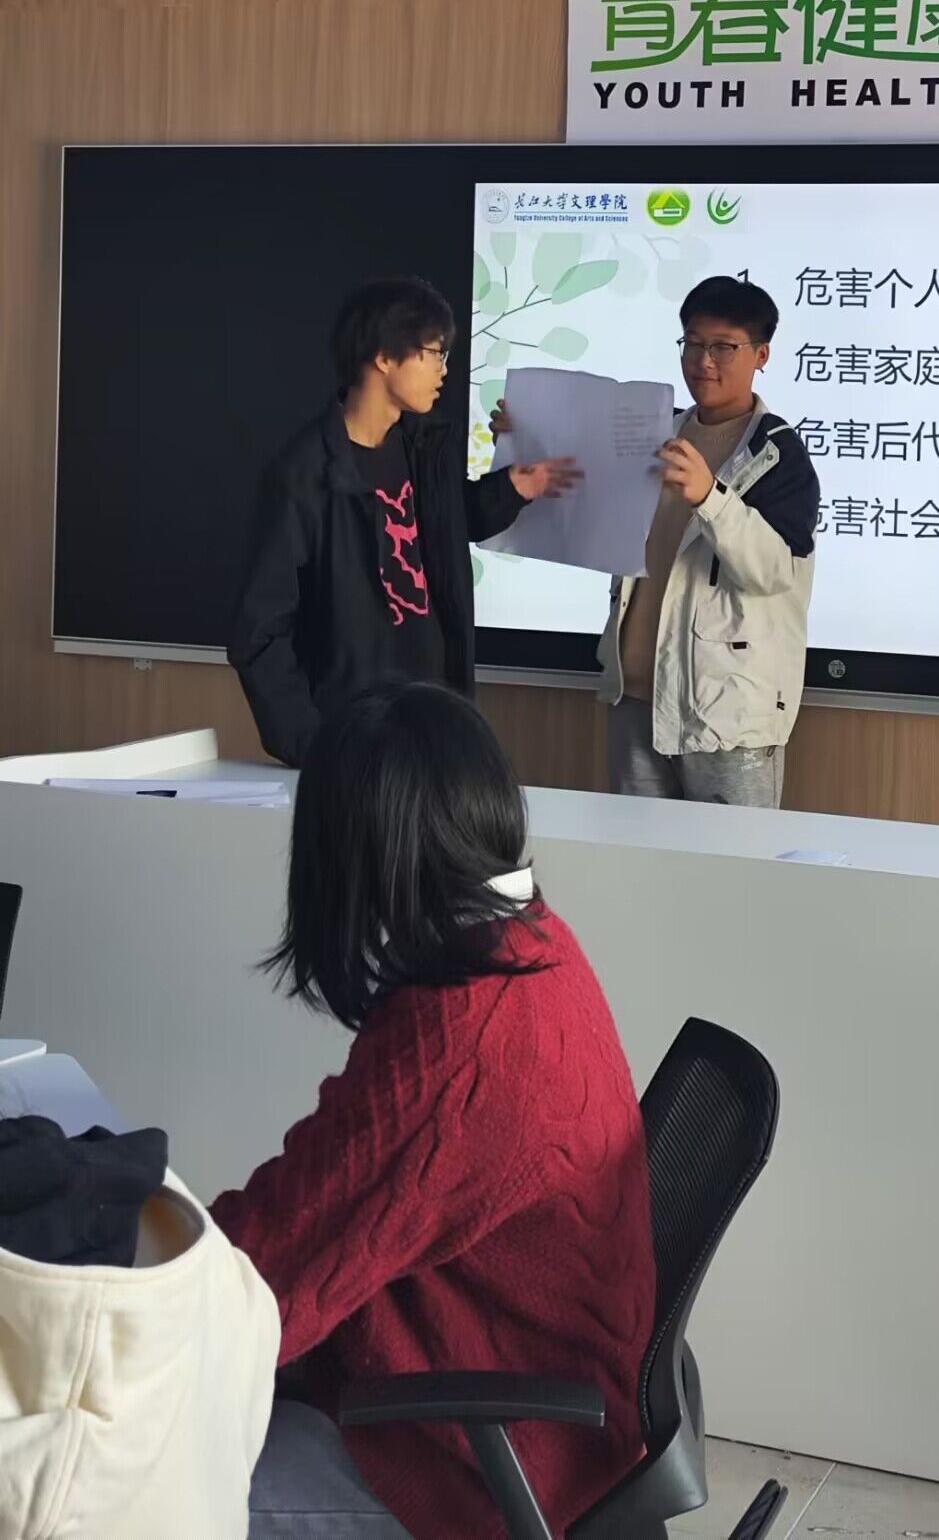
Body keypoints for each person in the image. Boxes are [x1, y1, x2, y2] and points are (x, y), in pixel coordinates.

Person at [214, 681, 656, 1540]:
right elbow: (321, 1204)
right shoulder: (532, 940)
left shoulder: (463, 1034)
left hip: (484, 1465)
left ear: (357, 852)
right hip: (544, 1417)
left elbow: (266, 1286)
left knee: (109, 1482)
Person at [228, 276, 578, 766]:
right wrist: (311, 743)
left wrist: (515, 485)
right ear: (384, 357)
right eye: (434, 353)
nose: (443, 371)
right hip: (353, 729)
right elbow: (259, 631)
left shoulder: (425, 446)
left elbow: (450, 524)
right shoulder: (303, 475)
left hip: (437, 713)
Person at [601, 276, 819, 808]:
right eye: (693, 343)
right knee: (634, 854)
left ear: (761, 354)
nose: (704, 361)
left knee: (734, 860)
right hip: (635, 696)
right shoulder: (655, 433)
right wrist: (528, 436)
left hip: (726, 716)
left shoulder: (777, 455)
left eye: (724, 347)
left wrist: (710, 497)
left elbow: (774, 571)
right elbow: (592, 507)